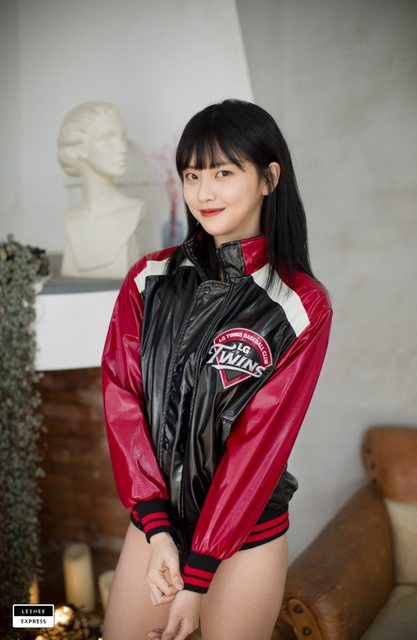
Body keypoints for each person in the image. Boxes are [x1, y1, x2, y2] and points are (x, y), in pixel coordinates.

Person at [101, 99, 332, 640]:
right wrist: (157, 527)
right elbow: (122, 400)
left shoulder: (300, 305)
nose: (204, 192)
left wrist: (201, 572)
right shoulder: (148, 279)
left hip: (246, 537)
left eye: (223, 173)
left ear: (269, 178)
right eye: (192, 175)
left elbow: (259, 443)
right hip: (156, 530)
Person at [57, 101, 145, 279]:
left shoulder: (135, 210)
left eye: (122, 137)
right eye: (107, 139)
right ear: (79, 149)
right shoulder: (70, 218)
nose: (123, 148)